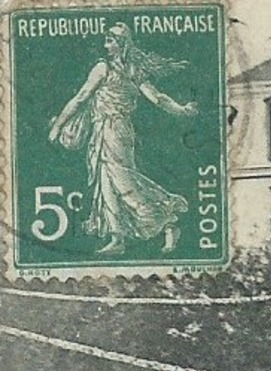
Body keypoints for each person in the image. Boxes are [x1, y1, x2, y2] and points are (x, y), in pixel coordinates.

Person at [46, 23, 196, 255]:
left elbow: (81, 98)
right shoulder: (131, 70)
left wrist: (58, 126)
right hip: (111, 129)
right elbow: (158, 98)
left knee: (120, 179)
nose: (107, 43)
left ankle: (163, 218)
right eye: (107, 39)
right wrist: (182, 110)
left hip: (113, 129)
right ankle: (120, 237)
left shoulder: (104, 68)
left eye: (111, 39)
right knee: (108, 180)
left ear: (121, 44)